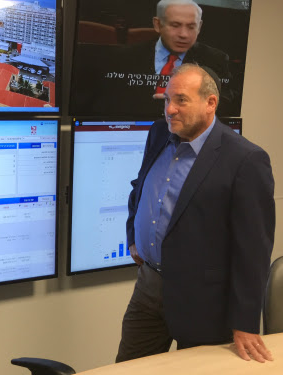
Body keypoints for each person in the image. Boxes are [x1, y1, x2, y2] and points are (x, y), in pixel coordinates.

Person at [117, 64, 274, 363]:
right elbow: (141, 186)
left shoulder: (245, 159)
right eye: (166, 100)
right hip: (149, 288)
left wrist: (245, 322)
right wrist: (133, 237)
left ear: (210, 103)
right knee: (128, 368)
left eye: (181, 100)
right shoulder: (159, 132)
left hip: (203, 302)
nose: (170, 110)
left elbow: (253, 250)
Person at [74, 0, 234, 117]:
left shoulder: (215, 60)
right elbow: (104, 103)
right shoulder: (123, 58)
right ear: (157, 24)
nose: (184, 34)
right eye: (175, 25)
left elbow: (225, 104)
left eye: (191, 27)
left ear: (199, 27)